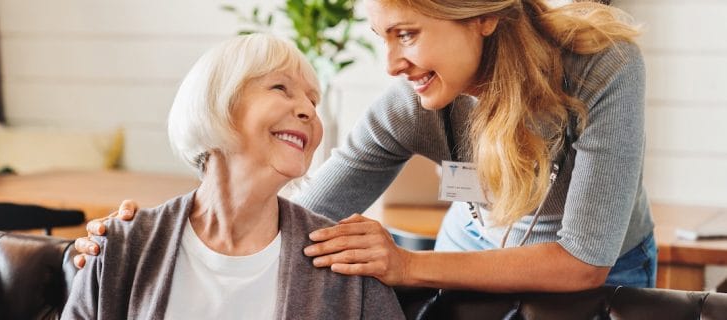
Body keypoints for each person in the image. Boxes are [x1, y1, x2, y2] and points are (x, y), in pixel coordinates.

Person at [75, 0, 654, 292]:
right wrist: (150, 235)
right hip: (471, 239)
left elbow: (583, 263)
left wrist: (406, 264)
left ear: (479, 15)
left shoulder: (602, 68)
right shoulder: (412, 107)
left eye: (408, 33)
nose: (392, 64)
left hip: (605, 262)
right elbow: (301, 219)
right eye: (383, 37)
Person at [62, 33, 404, 319]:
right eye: (280, 88)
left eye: (313, 101)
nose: (307, 111)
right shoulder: (124, 244)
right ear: (217, 101)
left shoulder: (346, 263)